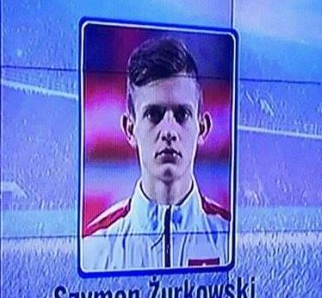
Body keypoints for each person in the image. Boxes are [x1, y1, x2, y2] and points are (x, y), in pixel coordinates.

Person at [81, 36, 230, 271]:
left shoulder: (233, 238)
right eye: (153, 114)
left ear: (202, 128)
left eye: (182, 114)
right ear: (130, 129)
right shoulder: (93, 250)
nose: (169, 131)